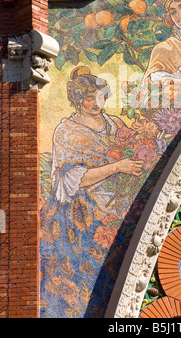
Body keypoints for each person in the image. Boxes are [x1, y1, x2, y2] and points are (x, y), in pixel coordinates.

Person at [40, 67, 143, 318]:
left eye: (99, 97)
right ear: (77, 101)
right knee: (83, 277)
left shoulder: (114, 123)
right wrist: (117, 167)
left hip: (116, 207)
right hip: (81, 216)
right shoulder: (67, 132)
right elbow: (73, 180)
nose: (96, 103)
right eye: (88, 98)